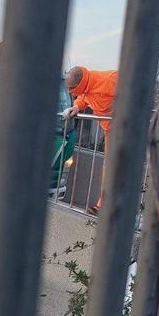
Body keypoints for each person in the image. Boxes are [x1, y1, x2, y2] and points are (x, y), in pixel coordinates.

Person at [63, 65, 118, 216]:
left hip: (124, 130)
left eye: (72, 88)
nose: (70, 92)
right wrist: (76, 107)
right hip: (111, 131)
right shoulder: (87, 86)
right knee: (109, 168)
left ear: (80, 84)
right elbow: (83, 98)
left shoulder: (110, 80)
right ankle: (104, 206)